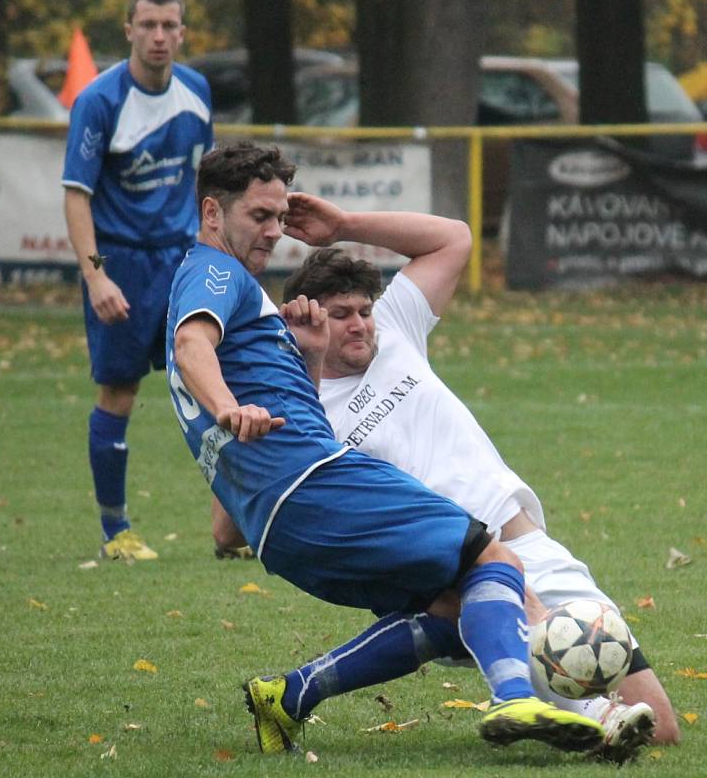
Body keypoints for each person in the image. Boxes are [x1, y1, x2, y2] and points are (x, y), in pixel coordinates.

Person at [166, 141, 606, 758]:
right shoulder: (216, 274)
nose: (273, 231)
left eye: (278, 216)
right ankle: (514, 697)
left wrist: (309, 361)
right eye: (258, 217)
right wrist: (226, 406)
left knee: (456, 611)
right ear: (212, 213)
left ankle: (288, 695)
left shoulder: (235, 295)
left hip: (279, 530)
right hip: (317, 484)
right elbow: (193, 348)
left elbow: (226, 528)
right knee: (494, 558)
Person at [268, 193, 680, 761]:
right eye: (341, 316)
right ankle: (570, 706)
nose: (361, 324)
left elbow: (454, 238)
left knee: (661, 729)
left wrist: (343, 225)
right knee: (597, 714)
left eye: (364, 309)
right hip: (449, 568)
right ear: (308, 318)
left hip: (531, 545)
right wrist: (306, 363)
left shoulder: (397, 328)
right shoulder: (303, 403)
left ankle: (306, 686)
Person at [62, 0, 213, 560]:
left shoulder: (196, 91)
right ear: (128, 29)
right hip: (120, 262)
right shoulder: (99, 102)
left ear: (181, 31)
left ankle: (237, 528)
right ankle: (114, 531)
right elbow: (78, 196)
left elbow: (205, 180)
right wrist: (96, 275)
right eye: (147, 25)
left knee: (222, 379)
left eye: (168, 26)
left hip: (182, 261)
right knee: (120, 391)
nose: (158, 36)